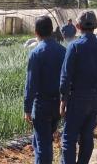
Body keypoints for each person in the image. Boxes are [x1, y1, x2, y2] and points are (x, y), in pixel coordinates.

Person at [59, 11, 97, 164]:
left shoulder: (74, 46)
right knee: (87, 136)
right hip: (95, 97)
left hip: (77, 97)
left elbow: (66, 75)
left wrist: (63, 98)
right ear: (95, 27)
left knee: (69, 137)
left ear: (77, 26)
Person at [24, 16, 66, 164]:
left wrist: (27, 108)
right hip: (58, 105)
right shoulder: (63, 51)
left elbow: (31, 84)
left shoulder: (36, 53)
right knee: (41, 140)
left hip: (42, 105)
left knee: (43, 145)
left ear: (36, 32)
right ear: (52, 31)